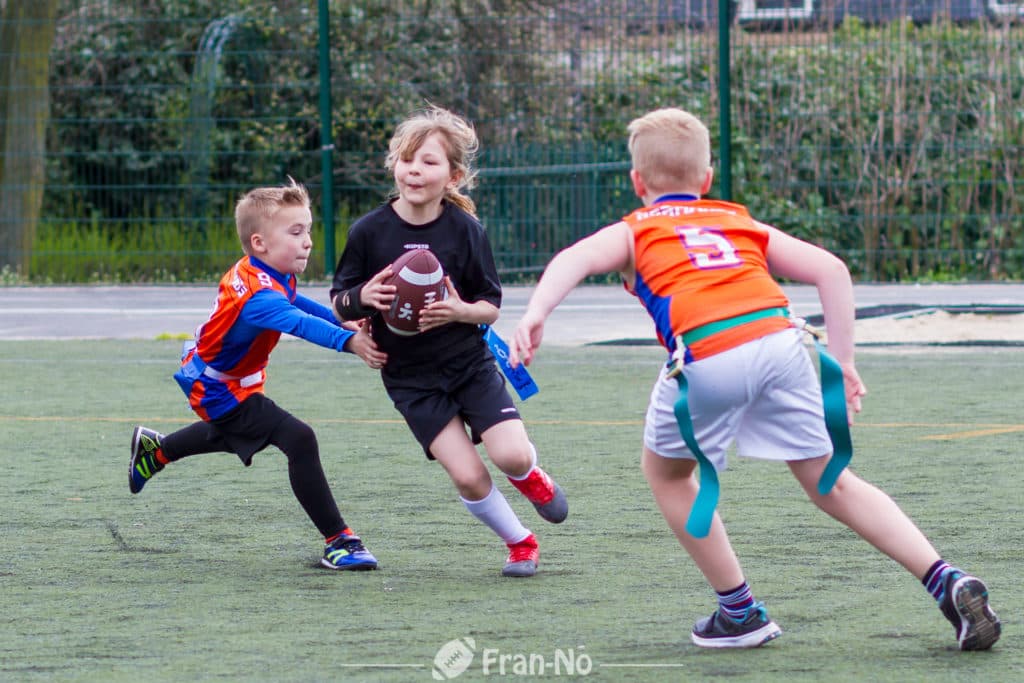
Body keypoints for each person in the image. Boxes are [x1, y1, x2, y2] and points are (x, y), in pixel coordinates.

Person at [509, 107, 1001, 650]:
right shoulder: (734, 218)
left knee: (669, 476)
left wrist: (536, 313)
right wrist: (846, 361)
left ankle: (739, 611)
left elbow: (574, 258)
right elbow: (832, 270)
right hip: (781, 340)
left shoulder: (635, 229)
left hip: (708, 355)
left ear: (636, 181)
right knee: (831, 480)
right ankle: (945, 578)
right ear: (707, 180)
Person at [330, 104, 567, 578]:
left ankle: (530, 476)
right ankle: (521, 542)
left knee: (511, 456)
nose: (414, 170)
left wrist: (460, 311)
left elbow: (490, 305)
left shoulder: (466, 231)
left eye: (429, 161)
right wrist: (362, 298)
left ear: (453, 175)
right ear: (394, 165)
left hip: (467, 364)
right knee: (469, 476)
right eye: (406, 159)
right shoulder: (368, 231)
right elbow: (339, 301)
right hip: (410, 378)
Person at [129, 178, 381, 572]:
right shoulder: (258, 298)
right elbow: (297, 322)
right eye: (296, 232)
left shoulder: (267, 271)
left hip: (224, 378)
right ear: (260, 243)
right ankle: (340, 541)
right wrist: (350, 342)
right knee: (298, 438)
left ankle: (156, 451)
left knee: (235, 436)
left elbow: (296, 301)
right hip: (215, 388)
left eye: (308, 231)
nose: (308, 241)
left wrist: (342, 318)